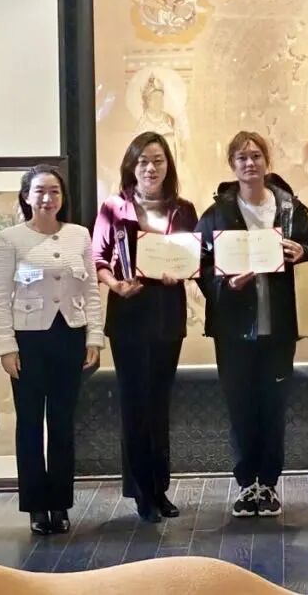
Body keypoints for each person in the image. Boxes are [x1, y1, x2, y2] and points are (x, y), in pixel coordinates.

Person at [196, 131, 308, 518]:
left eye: (256, 156)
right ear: (231, 165)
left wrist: (303, 252)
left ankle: (268, 483)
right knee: (239, 406)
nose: (249, 163)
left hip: (278, 326)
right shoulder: (217, 212)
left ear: (267, 161)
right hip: (233, 327)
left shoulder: (290, 209)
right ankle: (245, 483)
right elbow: (200, 266)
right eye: (241, 157)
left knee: (273, 405)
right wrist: (225, 284)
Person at [92, 132, 199, 522]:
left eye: (158, 160)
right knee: (135, 404)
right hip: (129, 314)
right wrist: (115, 284)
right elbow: (97, 258)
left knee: (159, 404)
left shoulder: (184, 210)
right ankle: (141, 493)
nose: (151, 168)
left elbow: (196, 257)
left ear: (168, 166)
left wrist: (182, 272)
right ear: (131, 166)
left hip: (168, 313)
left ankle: (159, 487)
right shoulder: (113, 207)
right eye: (143, 161)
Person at [0, 165, 103, 535]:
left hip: (69, 336)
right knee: (29, 424)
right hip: (28, 341)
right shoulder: (9, 239)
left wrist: (94, 337)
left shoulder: (79, 235)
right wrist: (6, 346)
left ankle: (60, 503)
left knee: (62, 423)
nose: (47, 198)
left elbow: (90, 291)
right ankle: (36, 506)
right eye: (40, 191)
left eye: (54, 191)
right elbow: (0, 297)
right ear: (26, 196)